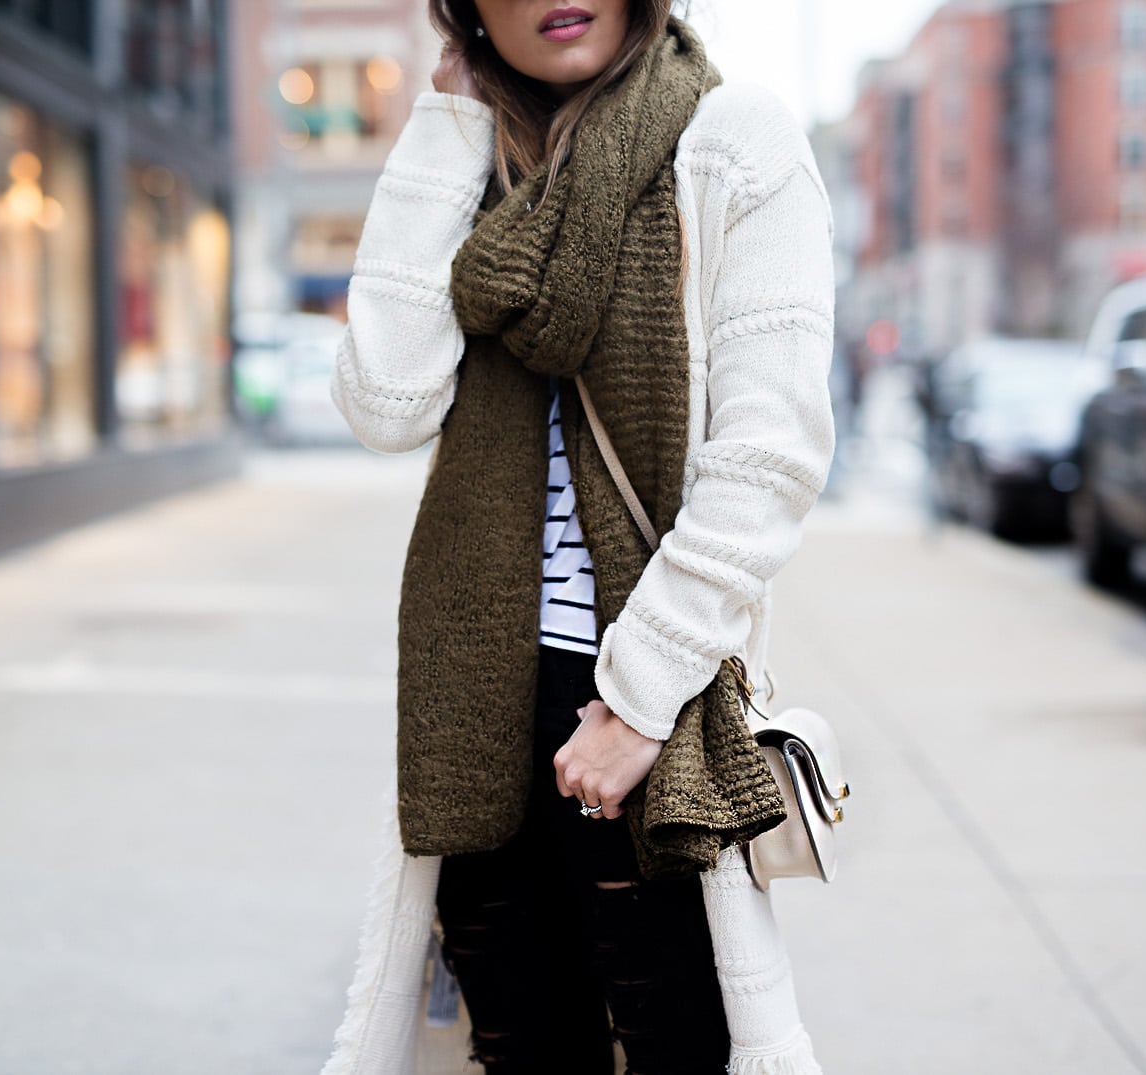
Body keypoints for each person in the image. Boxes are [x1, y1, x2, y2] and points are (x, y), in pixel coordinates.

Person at [324, 2, 835, 1072]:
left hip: (643, 699)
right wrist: (445, 121)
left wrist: (636, 701)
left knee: (674, 1046)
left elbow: (767, 461)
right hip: (475, 703)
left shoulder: (735, 143)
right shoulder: (475, 169)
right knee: (522, 1050)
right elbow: (385, 397)